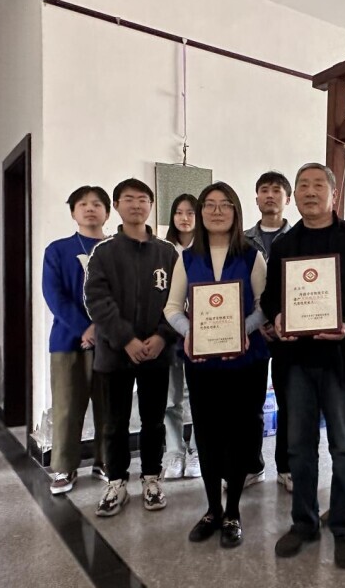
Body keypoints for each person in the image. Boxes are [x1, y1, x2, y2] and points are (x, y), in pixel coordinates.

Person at [261, 163, 345, 569]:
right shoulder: (284, 245)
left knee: (343, 447)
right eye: (303, 185)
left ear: (334, 194)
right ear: (295, 196)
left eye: (318, 184)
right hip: (297, 362)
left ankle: (344, 527)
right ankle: (303, 523)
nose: (310, 191)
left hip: (341, 360)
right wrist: (278, 317)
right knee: (299, 447)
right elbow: (270, 297)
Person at [164, 181, 270, 548]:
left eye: (225, 204)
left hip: (246, 360)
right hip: (202, 361)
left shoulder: (252, 256)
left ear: (236, 211)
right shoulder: (187, 258)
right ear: (200, 212)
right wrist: (190, 333)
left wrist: (242, 330)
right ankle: (212, 508)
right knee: (207, 434)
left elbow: (264, 307)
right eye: (209, 204)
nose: (217, 211)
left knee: (239, 434)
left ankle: (234, 511)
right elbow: (172, 308)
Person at [84, 178, 178, 516]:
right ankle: (116, 482)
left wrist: (163, 336)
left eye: (142, 199)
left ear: (151, 205)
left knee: (154, 420)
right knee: (114, 423)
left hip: (156, 351)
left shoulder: (167, 252)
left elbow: (179, 299)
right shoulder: (104, 252)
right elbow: (96, 299)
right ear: (117, 206)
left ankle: (151, 478)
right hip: (114, 353)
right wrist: (126, 338)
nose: (136, 205)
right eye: (128, 199)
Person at [42, 185, 111, 495]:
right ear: (73, 212)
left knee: (109, 407)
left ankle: (105, 461)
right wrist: (84, 328)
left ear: (107, 212)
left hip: (111, 341)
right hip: (68, 340)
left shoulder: (117, 249)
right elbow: (53, 294)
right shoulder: (57, 250)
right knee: (67, 407)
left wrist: (101, 329)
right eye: (83, 204)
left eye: (97, 204)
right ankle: (64, 466)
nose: (90, 209)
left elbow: (125, 294)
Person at [243, 171, 293, 492]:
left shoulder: (300, 237)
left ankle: (286, 467)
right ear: (257, 198)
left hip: (290, 333)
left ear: (287, 198)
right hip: (254, 332)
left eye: (277, 190)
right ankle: (252, 465)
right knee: (251, 402)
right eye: (264, 190)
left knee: (289, 401)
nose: (270, 195)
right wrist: (258, 322)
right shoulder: (241, 240)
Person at [162, 194, 202, 481]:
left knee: (200, 396)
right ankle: (175, 452)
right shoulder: (163, 251)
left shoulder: (206, 250)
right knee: (170, 398)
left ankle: (198, 451)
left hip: (202, 334)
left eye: (190, 212)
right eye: (179, 212)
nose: (184, 218)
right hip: (168, 334)